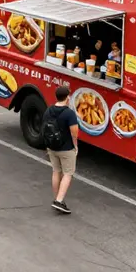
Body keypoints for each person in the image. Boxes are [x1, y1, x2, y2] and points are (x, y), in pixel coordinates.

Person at [41, 85, 80, 214]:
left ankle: (57, 198)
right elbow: (74, 133)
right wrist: (75, 145)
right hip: (66, 148)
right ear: (67, 97)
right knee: (68, 173)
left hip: (52, 147)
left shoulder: (48, 110)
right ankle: (59, 201)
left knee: (56, 171)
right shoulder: (69, 113)